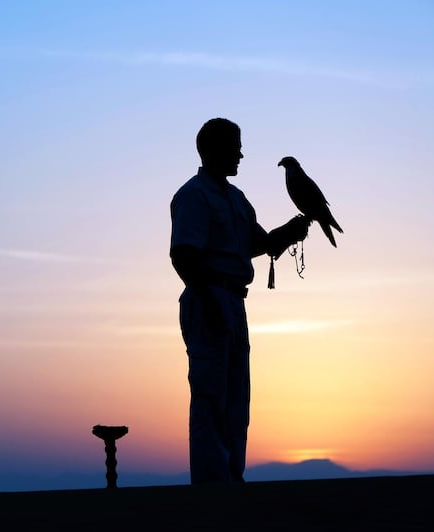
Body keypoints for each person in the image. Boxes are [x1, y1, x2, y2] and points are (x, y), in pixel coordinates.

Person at [169, 118, 308, 484]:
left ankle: (232, 482)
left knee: (236, 399)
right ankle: (211, 488)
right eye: (235, 146)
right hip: (207, 298)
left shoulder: (236, 199)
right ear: (212, 149)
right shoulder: (193, 195)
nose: (241, 154)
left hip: (234, 301)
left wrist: (290, 233)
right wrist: (211, 302)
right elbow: (183, 255)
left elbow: (257, 244)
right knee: (211, 394)